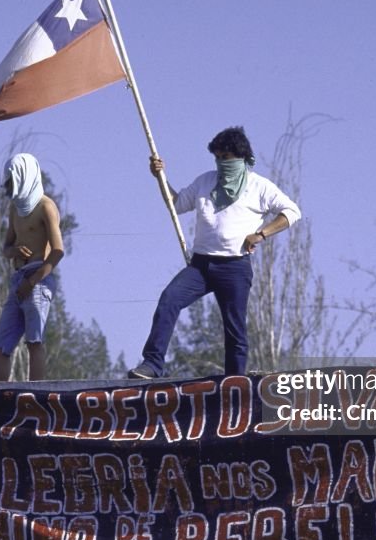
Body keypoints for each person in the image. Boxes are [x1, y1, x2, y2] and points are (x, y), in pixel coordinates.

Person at [128, 126, 301, 378]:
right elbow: (176, 204)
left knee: (234, 329)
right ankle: (152, 364)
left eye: (225, 158)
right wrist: (160, 177)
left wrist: (262, 233)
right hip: (201, 266)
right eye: (217, 158)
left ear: (240, 157)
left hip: (235, 266)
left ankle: (234, 383)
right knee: (169, 299)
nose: (220, 164)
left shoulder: (259, 187)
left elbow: (292, 212)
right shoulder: (205, 181)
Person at [0, 153, 65, 381]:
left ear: (24, 177)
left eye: (12, 182)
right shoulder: (15, 208)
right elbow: (6, 246)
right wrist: (13, 252)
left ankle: (35, 395)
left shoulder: (46, 207)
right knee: (0, 346)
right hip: (18, 280)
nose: (9, 189)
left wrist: (32, 282)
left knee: (34, 341)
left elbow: (58, 251)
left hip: (38, 279)